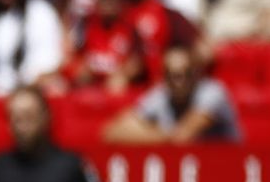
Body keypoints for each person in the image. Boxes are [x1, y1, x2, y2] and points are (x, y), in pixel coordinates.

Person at [103, 46, 243, 144]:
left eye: (186, 73)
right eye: (173, 75)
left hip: (226, 169)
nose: (180, 82)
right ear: (164, 77)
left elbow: (182, 137)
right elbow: (112, 133)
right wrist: (163, 136)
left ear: (196, 74)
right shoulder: (160, 94)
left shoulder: (213, 93)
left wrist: (145, 132)